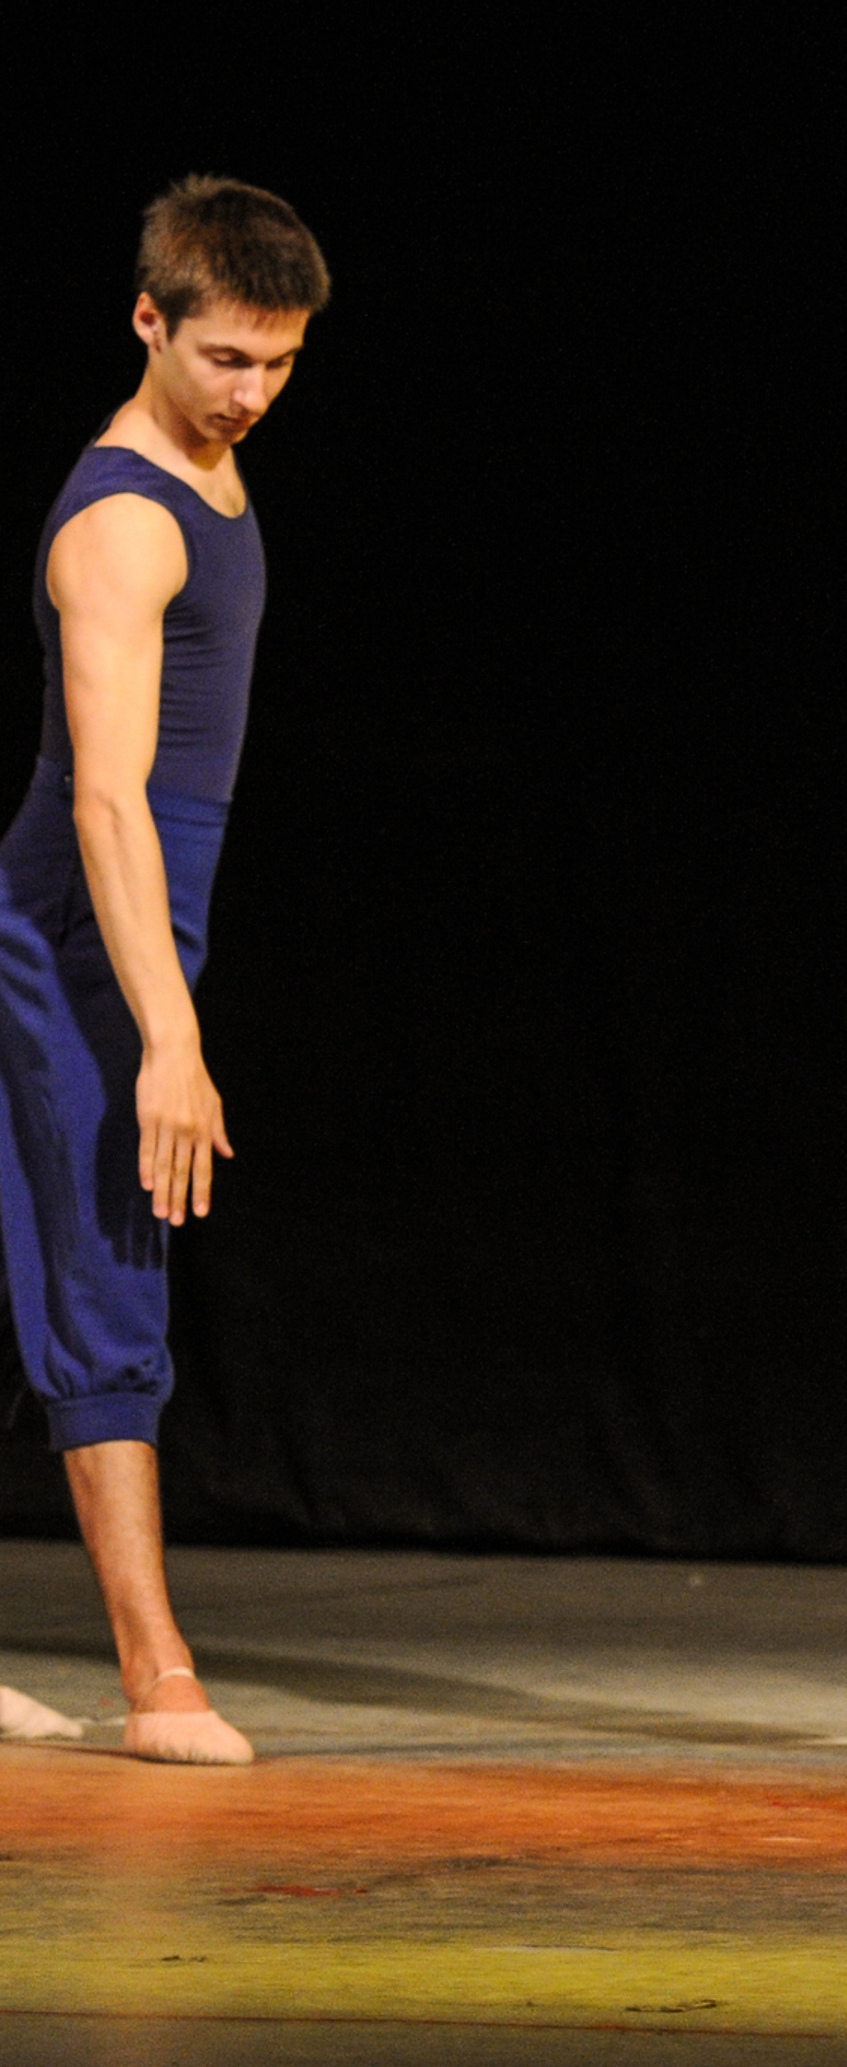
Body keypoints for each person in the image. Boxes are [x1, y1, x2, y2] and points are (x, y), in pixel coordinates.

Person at [0, 175, 328, 1767]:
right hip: (83, 918)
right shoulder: (126, 517)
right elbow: (108, 799)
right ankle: (156, 1679)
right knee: (115, 1254)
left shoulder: (216, 473)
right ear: (149, 319)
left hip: (140, 902)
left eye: (278, 363)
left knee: (45, 1263)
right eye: (224, 361)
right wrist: (167, 1036)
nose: (251, 395)